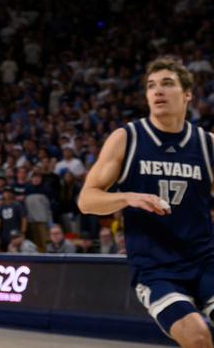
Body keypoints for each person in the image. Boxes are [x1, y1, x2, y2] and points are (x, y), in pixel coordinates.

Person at [79, 58, 213, 347]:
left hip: (206, 261)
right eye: (151, 85)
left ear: (187, 94)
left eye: (167, 84)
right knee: (197, 336)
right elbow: (86, 200)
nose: (157, 91)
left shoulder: (207, 144)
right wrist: (128, 196)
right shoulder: (127, 138)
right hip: (157, 268)